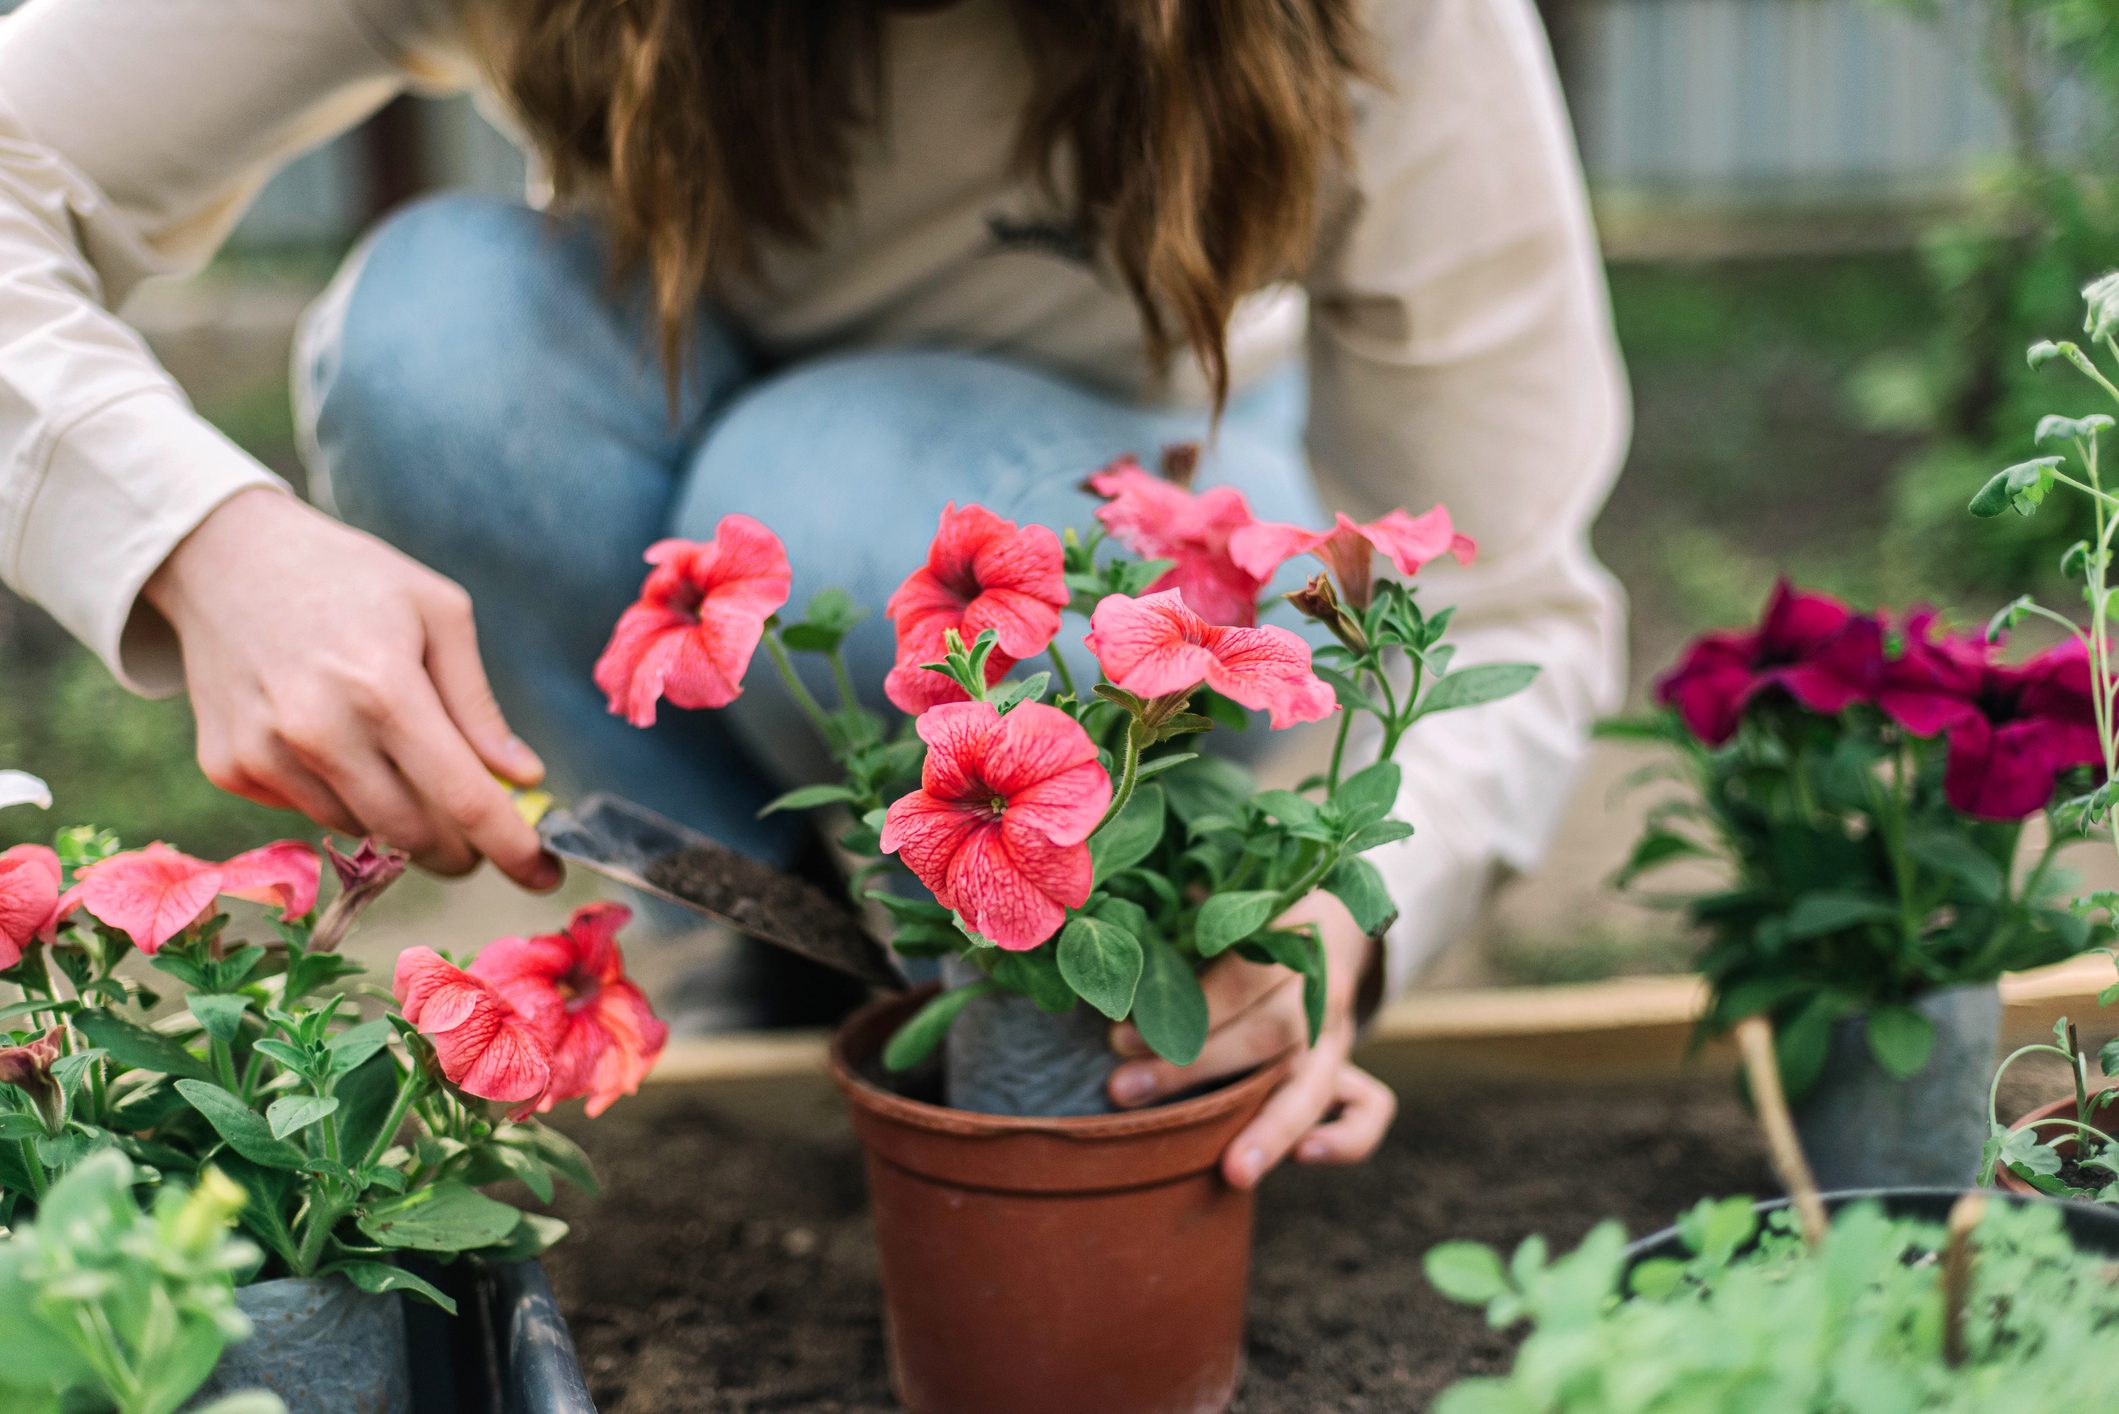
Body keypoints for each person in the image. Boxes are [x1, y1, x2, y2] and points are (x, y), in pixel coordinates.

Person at [0, 0, 1626, 1188]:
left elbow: (1515, 599)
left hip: (1145, 522)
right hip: (717, 471)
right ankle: (752, 939)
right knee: (429, 345)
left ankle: (1052, 1048)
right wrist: (197, 532)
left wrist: (1331, 927)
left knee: (833, 487)